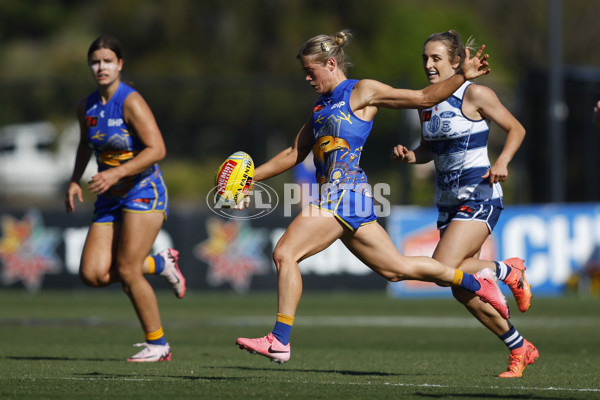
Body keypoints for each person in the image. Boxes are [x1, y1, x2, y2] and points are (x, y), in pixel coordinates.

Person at [235, 30, 509, 367]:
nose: (307, 78)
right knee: (397, 269)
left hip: (343, 193)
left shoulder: (362, 91)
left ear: (331, 63)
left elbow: (423, 98)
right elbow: (294, 152)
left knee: (285, 253)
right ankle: (477, 281)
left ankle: (279, 340)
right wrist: (249, 178)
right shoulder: (321, 106)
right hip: (349, 199)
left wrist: (463, 76)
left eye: (311, 71)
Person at [391, 30, 536, 378]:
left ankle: (506, 271)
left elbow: (516, 129)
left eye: (436, 58)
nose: (428, 64)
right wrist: (411, 156)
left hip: (480, 194)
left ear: (456, 62)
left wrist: (502, 162)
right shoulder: (425, 103)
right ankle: (520, 348)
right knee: (457, 287)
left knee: (442, 266)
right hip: (447, 203)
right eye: (425, 58)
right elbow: (429, 149)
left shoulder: (475, 94)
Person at [65, 35, 186, 362]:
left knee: (128, 270)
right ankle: (160, 263)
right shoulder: (86, 105)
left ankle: (159, 345)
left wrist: (116, 174)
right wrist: (75, 180)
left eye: (107, 60)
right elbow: (84, 144)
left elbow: (157, 149)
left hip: (143, 191)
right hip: (109, 197)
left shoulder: (130, 101)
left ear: (119, 64)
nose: (100, 67)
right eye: (95, 61)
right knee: (92, 274)